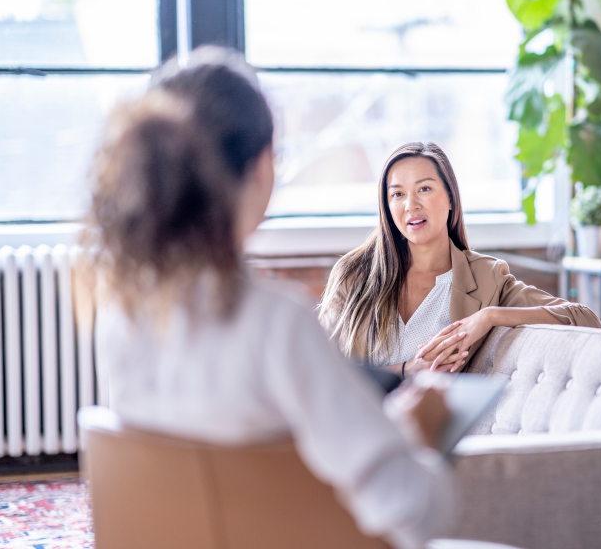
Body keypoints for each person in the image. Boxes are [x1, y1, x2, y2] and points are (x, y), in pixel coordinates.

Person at [84, 48, 452, 549]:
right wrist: (416, 436)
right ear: (261, 167)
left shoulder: (121, 313)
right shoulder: (277, 323)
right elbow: (412, 511)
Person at [319, 142, 601, 377]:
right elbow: (318, 369)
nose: (411, 204)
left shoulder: (485, 277)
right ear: (387, 206)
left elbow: (585, 319)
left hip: (440, 435)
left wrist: (490, 316)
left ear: (451, 198)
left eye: (425, 189)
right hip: (361, 429)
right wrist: (407, 370)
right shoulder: (353, 274)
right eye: (397, 194)